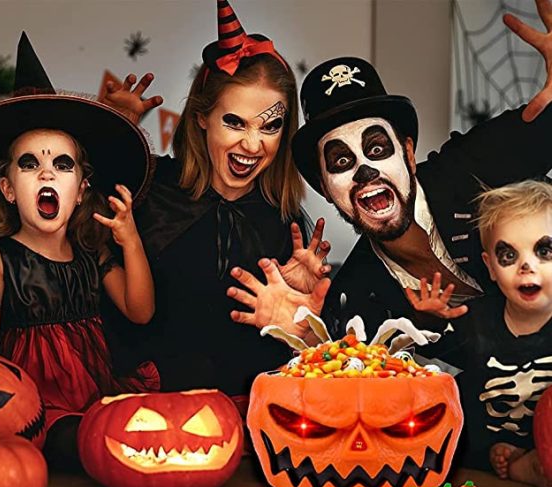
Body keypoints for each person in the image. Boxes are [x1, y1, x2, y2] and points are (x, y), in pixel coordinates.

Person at [227, 1, 552, 344]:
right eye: (340, 161)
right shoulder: (356, 293)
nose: (365, 171)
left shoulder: (474, 165)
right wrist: (309, 335)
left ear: (409, 154)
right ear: (325, 188)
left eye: (377, 149)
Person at [100, 0, 330, 409]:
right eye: (235, 122)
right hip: (145, 413)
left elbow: (306, 360)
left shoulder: (286, 223)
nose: (252, 144)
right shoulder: (147, 189)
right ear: (202, 117)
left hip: (251, 421)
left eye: (271, 126)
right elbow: (65, 212)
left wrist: (303, 321)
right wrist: (114, 134)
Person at [0, 33, 158, 469]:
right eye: (30, 163)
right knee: (72, 443)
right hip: (33, 405)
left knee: (128, 428)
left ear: (81, 190)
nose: (46, 170)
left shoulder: (89, 250)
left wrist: (131, 241)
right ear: (8, 188)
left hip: (96, 392)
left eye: (61, 164)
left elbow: (140, 310)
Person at [407, 180, 552, 487]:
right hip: (478, 459)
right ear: (490, 267)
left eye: (544, 251)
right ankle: (517, 465)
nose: (527, 265)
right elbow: (419, 371)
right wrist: (428, 321)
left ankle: (530, 465)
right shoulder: (472, 321)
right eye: (508, 255)